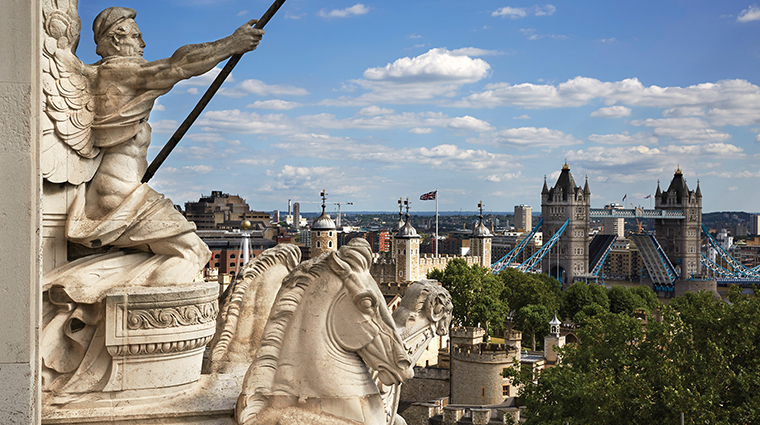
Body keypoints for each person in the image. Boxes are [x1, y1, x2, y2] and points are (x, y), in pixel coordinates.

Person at [66, 7, 265, 285]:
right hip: (117, 197)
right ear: (114, 41)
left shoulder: (101, 77)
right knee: (193, 253)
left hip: (122, 192)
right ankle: (104, 296)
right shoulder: (117, 72)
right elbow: (178, 65)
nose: (143, 44)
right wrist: (231, 44)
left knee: (183, 253)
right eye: (136, 36)